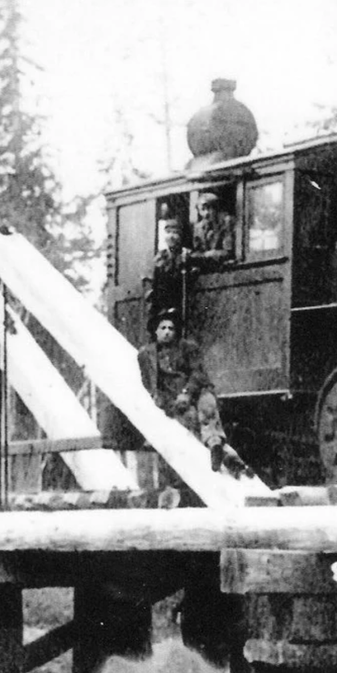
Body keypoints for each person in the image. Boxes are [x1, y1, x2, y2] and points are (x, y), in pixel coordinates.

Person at [137, 307, 245, 474]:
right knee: (192, 420)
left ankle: (215, 443)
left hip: (197, 391)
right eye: (163, 328)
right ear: (155, 331)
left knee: (208, 407)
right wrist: (163, 400)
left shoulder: (187, 347)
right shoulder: (146, 355)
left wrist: (187, 393)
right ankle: (225, 455)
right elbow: (149, 382)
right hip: (174, 399)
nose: (167, 332)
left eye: (171, 328)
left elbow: (197, 373)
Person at [190, 191, 235, 266]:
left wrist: (208, 254)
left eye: (209, 208)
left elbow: (228, 251)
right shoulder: (198, 228)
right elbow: (196, 252)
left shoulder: (227, 222)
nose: (206, 213)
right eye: (202, 210)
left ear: (216, 209)